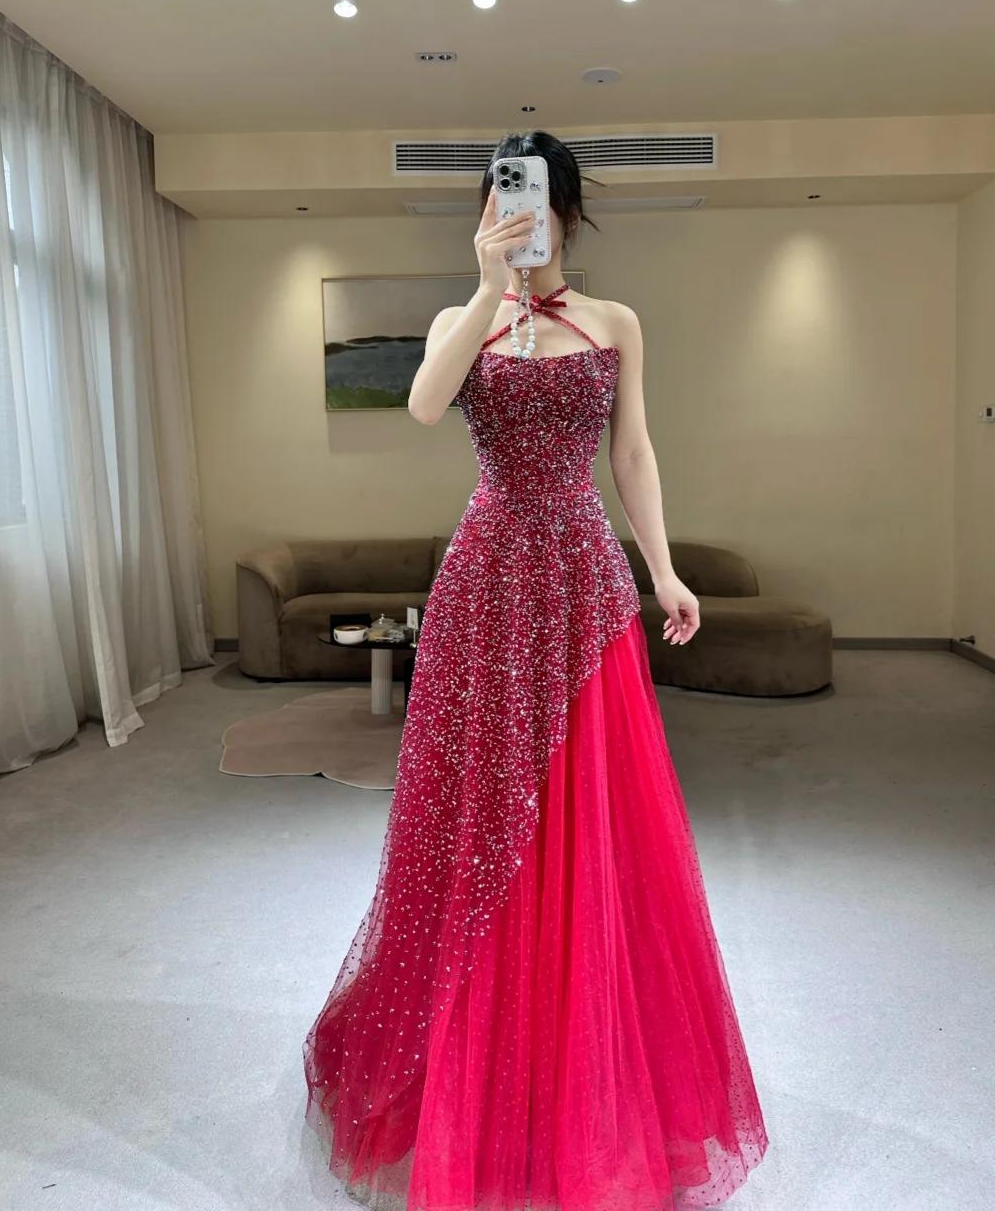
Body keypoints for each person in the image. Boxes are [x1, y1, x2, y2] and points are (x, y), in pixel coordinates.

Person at [303, 131, 769, 1211]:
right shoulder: (461, 320)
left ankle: (585, 1070)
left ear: (568, 212)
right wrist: (483, 291)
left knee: (591, 813)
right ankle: (468, 1066)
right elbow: (424, 407)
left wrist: (664, 571)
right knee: (472, 814)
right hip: (485, 584)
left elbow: (632, 453)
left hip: (584, 587)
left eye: (537, 202)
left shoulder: (615, 322)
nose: (520, 219)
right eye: (501, 201)